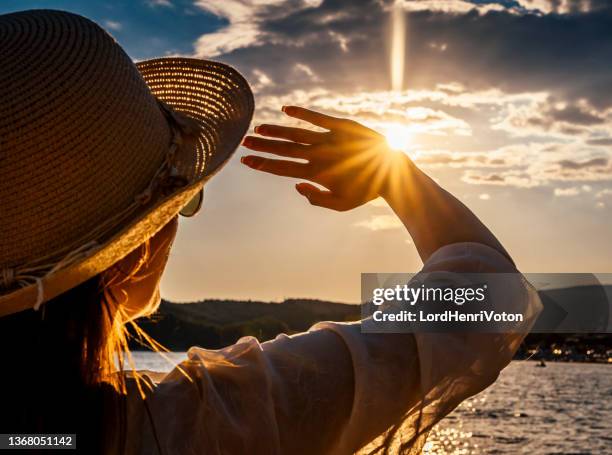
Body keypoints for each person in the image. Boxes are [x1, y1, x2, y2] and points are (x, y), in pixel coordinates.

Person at [0, 9, 540, 455]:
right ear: (130, 251)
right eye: (181, 200)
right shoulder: (204, 426)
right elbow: (487, 298)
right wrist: (396, 178)